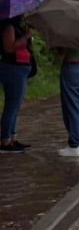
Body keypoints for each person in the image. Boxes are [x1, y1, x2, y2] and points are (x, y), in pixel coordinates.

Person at [0, 16, 33, 153]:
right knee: (12, 106)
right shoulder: (8, 27)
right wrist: (26, 36)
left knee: (16, 105)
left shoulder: (16, 27)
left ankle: (12, 138)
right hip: (13, 69)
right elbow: (9, 48)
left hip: (19, 69)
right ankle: (5, 141)